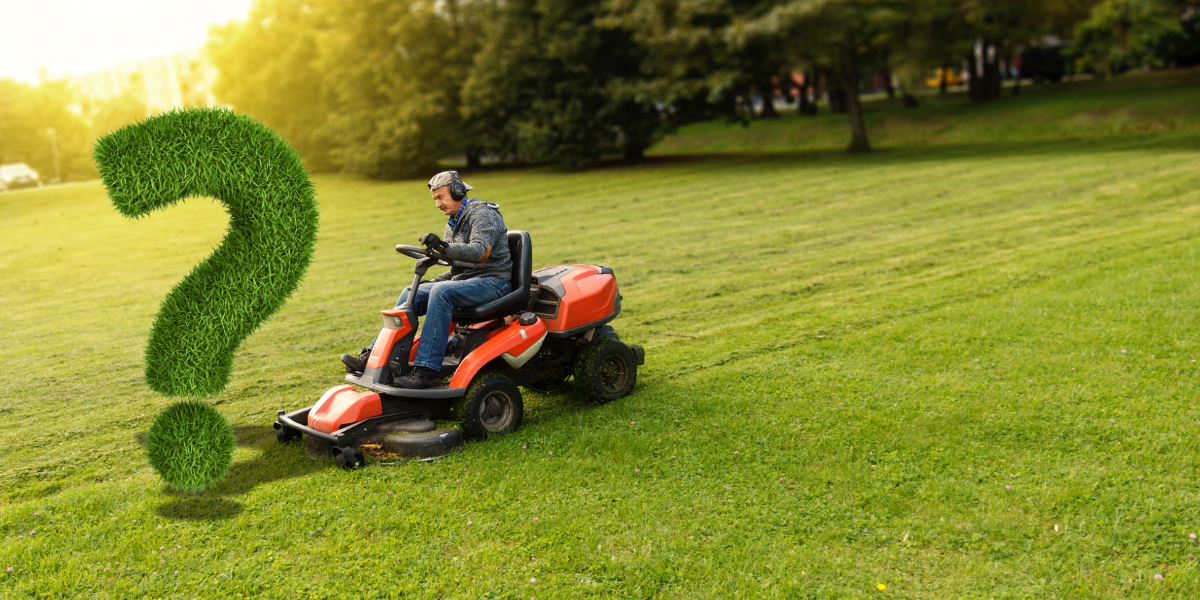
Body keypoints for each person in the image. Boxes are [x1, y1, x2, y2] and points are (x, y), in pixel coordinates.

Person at [340, 171, 512, 389]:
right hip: (467, 280)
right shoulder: (454, 220)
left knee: (441, 292)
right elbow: (456, 265)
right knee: (411, 292)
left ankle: (427, 370)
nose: (437, 204)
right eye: (435, 199)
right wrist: (434, 277)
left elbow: (480, 252)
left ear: (457, 191)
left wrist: (444, 246)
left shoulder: (483, 214)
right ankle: (375, 357)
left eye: (440, 197)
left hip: (493, 282)